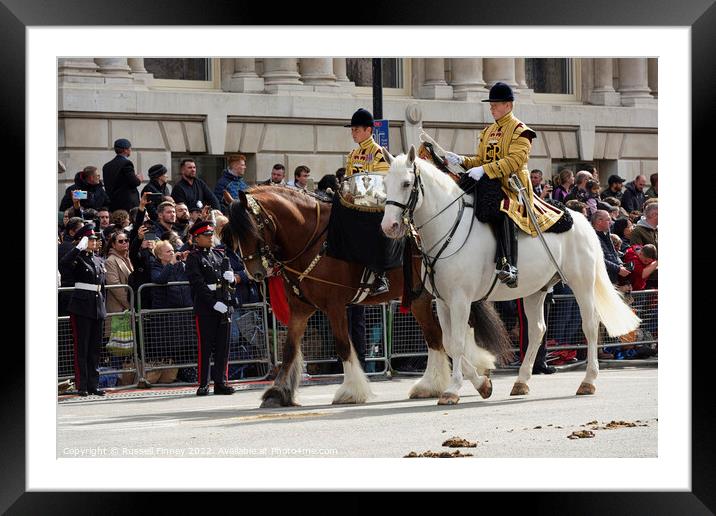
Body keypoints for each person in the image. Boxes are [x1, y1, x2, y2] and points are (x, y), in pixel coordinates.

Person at [445, 82, 563, 288]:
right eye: (491, 105)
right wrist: (462, 160)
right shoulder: (487, 131)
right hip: (489, 181)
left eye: (496, 104)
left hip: (512, 186)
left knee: (505, 208)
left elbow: (514, 161)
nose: (492, 108)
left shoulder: (521, 131)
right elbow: (481, 160)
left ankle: (508, 263)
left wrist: (484, 170)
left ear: (508, 105)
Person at [185, 220, 238, 396]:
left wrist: (231, 279)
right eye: (206, 236)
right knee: (205, 347)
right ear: (196, 238)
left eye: (210, 235)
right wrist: (213, 303)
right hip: (207, 308)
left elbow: (227, 283)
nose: (210, 238)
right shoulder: (194, 257)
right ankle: (203, 383)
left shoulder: (219, 255)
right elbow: (198, 284)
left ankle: (221, 382)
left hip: (224, 305)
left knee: (224, 346)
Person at [58, 223, 107, 397]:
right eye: (90, 239)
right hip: (81, 306)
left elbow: (102, 285)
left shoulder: (98, 259)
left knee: (95, 348)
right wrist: (78, 248)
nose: (94, 242)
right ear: (82, 240)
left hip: (97, 305)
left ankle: (94, 384)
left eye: (95, 239)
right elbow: (63, 264)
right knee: (82, 347)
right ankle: (83, 385)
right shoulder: (77, 258)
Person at [102, 138, 142, 213]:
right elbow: (134, 182)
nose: (131, 150)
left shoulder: (106, 166)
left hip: (113, 203)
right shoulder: (126, 163)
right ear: (125, 150)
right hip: (127, 204)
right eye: (130, 148)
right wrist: (138, 179)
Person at [150, 240, 192, 309]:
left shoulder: (181, 265)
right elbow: (160, 280)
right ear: (160, 256)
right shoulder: (156, 268)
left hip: (186, 310)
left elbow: (193, 276)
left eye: (172, 250)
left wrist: (188, 261)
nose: (172, 253)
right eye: (168, 251)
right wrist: (171, 263)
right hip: (167, 313)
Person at [592, 210, 631, 285]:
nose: (611, 222)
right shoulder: (592, 237)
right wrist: (618, 269)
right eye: (608, 219)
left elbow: (613, 252)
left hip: (612, 279)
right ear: (599, 221)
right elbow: (598, 259)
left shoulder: (606, 233)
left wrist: (620, 264)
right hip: (602, 280)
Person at [104, 230, 134, 314]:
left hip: (130, 308)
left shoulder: (129, 258)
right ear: (113, 245)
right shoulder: (110, 261)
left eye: (126, 240)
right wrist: (131, 305)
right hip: (118, 308)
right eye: (121, 241)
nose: (124, 243)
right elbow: (115, 286)